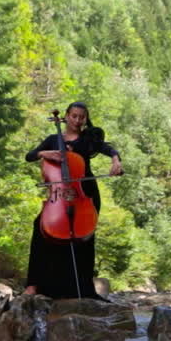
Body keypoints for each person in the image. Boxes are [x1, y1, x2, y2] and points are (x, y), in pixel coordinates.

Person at [24, 102, 123, 299]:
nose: (77, 121)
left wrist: (116, 161)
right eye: (74, 116)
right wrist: (44, 153)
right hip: (58, 196)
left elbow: (108, 149)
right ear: (66, 116)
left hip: (84, 192)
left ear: (85, 119)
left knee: (84, 238)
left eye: (81, 117)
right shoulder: (53, 140)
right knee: (41, 228)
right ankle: (34, 285)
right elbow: (29, 156)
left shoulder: (87, 139)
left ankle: (83, 288)